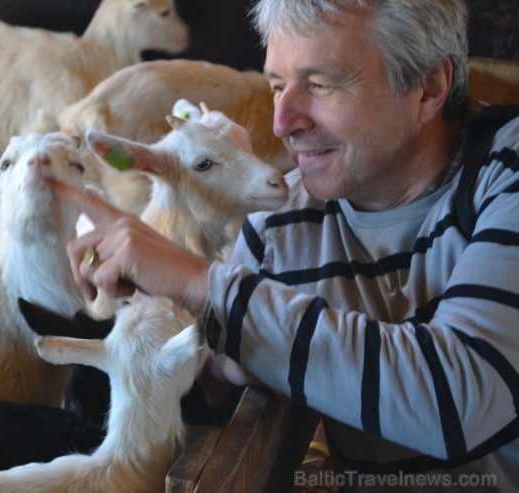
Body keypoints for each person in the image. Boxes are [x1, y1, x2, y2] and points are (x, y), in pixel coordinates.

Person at [51, 0, 519, 490]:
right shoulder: (280, 228)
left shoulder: (504, 175)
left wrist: (200, 284)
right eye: (277, 86)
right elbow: (225, 393)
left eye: (320, 85)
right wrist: (210, 367)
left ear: (428, 88)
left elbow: (461, 400)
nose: (282, 122)